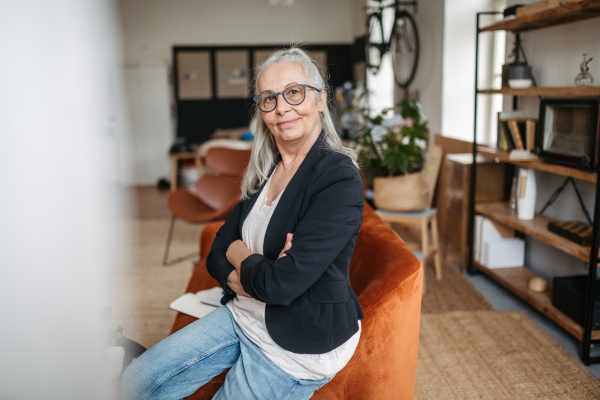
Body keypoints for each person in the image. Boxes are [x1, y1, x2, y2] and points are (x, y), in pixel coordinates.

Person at [121, 47, 365, 400]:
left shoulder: (337, 178)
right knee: (134, 382)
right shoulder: (267, 169)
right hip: (244, 314)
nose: (282, 107)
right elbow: (218, 250)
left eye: (294, 92)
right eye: (269, 98)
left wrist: (243, 257)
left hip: (297, 342)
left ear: (321, 99)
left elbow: (282, 284)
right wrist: (251, 265)